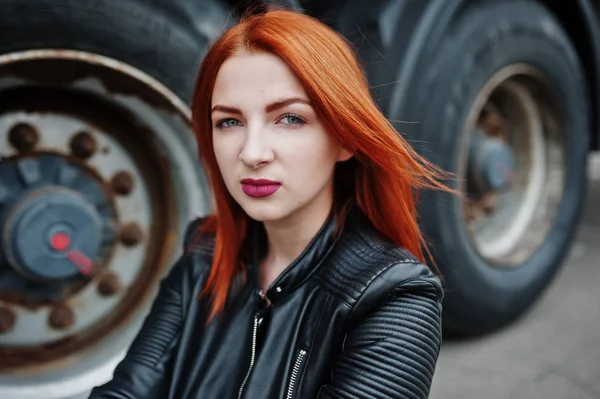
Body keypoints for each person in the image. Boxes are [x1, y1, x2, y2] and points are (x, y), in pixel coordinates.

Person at [89, 7, 452, 399]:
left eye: (290, 119)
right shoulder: (205, 255)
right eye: (229, 122)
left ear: (346, 138)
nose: (252, 152)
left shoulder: (394, 296)